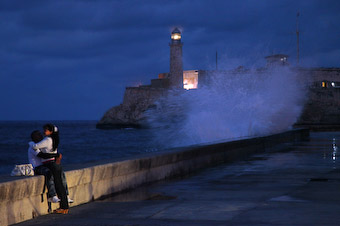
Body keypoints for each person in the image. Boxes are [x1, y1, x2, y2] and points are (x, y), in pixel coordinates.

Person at [31, 124, 69, 214]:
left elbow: (35, 146)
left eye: (46, 130)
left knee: (58, 186)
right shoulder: (54, 139)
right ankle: (65, 207)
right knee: (60, 185)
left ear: (51, 131)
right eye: (44, 129)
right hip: (55, 164)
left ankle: (63, 207)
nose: (44, 131)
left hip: (50, 164)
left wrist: (31, 143)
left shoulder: (47, 139)